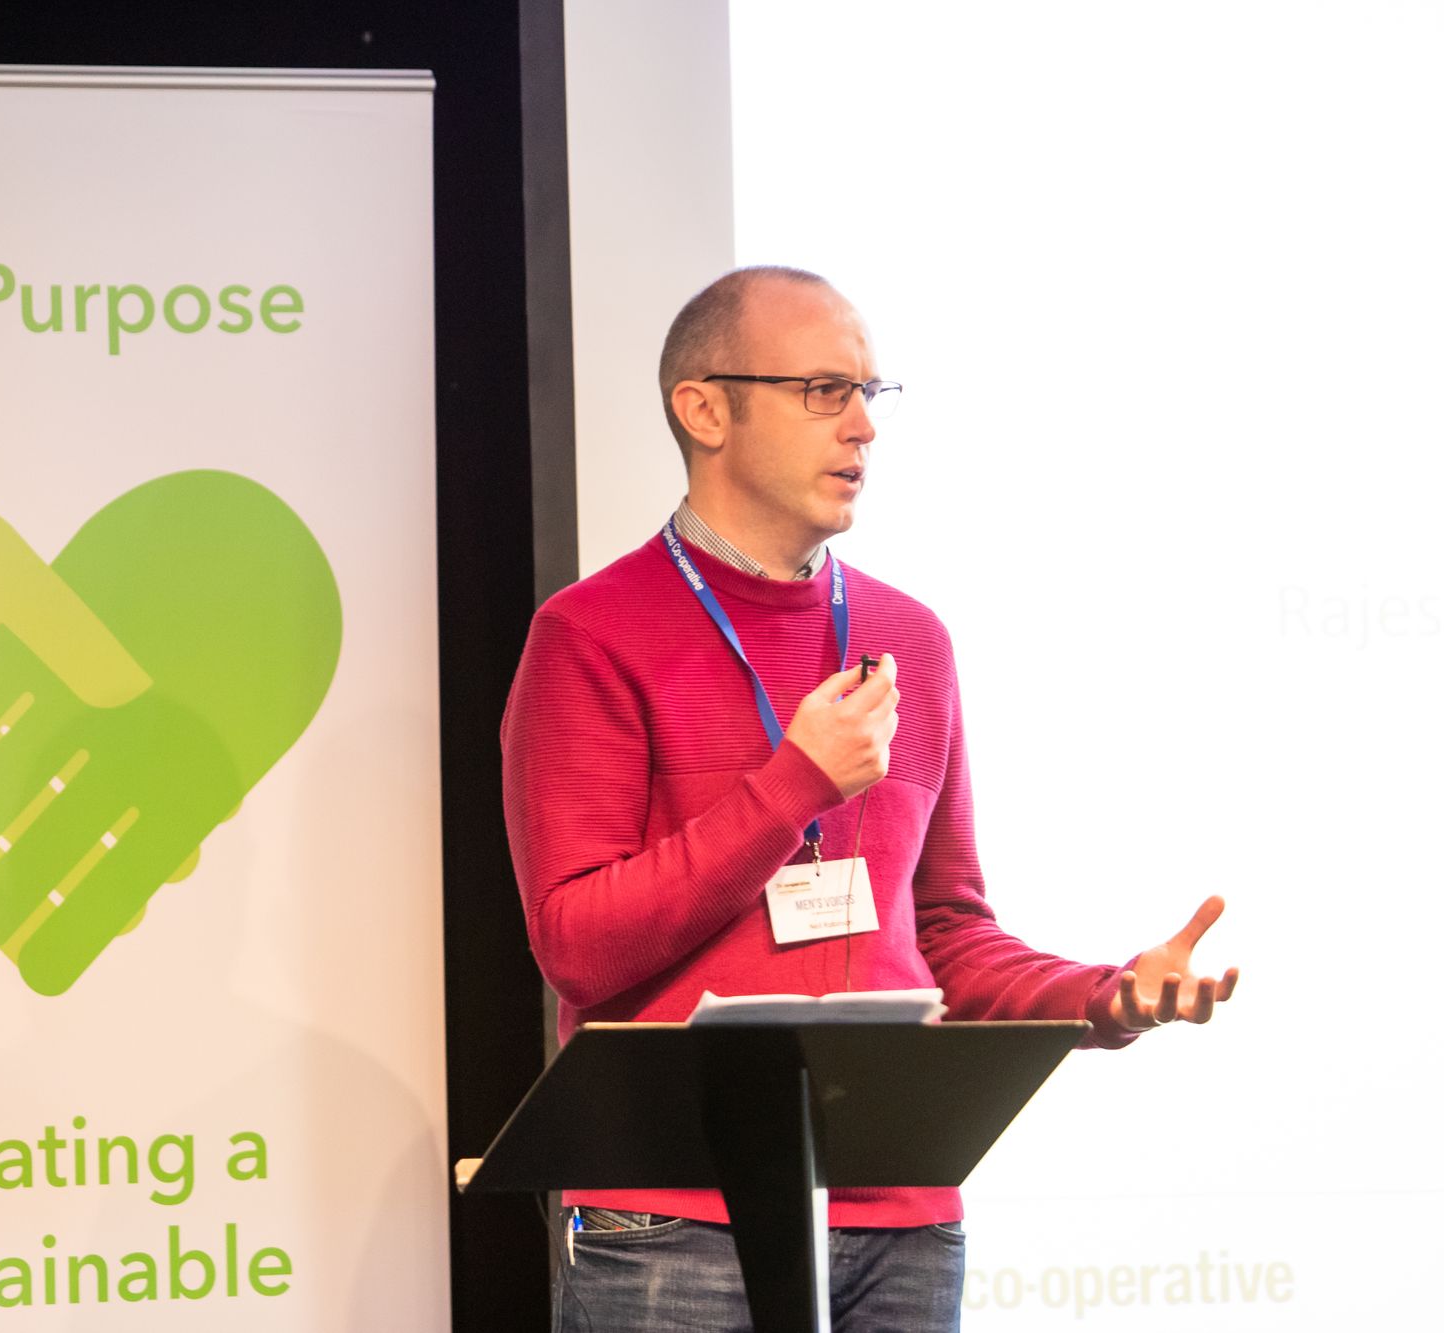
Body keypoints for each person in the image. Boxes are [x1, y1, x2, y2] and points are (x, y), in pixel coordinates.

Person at [498, 266, 1238, 1333]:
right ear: (703, 410)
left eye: (869, 393)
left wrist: (1104, 996)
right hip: (673, 1220)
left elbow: (945, 936)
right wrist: (793, 785)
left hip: (900, 1214)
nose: (862, 426)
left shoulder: (910, 640)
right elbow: (577, 943)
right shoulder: (590, 635)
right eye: (822, 391)